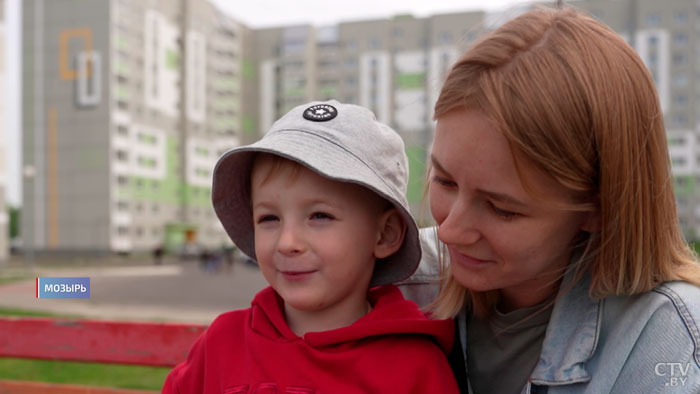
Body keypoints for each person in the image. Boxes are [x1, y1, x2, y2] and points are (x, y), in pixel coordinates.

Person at [398, 7, 700, 394]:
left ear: (598, 207)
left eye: (501, 208)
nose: (449, 231)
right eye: (444, 181)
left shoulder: (672, 342)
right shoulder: (393, 278)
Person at [162, 101, 459, 393]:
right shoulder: (222, 343)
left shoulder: (413, 367)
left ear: (384, 235)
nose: (287, 242)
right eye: (269, 218)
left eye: (319, 216)